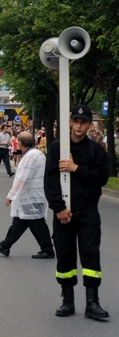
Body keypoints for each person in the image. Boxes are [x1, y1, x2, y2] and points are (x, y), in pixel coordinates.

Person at [44, 104, 110, 320]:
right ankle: (67, 300)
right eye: (76, 121)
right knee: (65, 255)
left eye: (84, 122)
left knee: (91, 255)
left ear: (90, 125)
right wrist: (59, 209)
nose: (79, 125)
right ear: (70, 122)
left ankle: (93, 303)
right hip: (64, 212)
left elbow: (102, 178)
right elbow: (50, 182)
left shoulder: (96, 150)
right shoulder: (57, 149)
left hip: (88, 211)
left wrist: (77, 169)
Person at [0, 132, 54, 258]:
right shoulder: (36, 154)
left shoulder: (31, 156)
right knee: (20, 222)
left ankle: (47, 249)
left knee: (36, 223)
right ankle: (5, 246)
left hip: (30, 195)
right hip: (32, 195)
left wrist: (11, 195)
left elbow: (23, 178)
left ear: (20, 143)